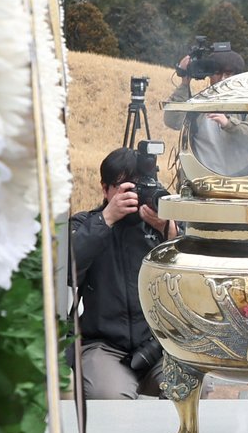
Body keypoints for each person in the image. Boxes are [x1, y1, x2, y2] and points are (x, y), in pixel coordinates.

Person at [69, 146, 178, 399]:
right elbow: (66, 270)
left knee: (189, 388)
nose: (132, 195)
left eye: (138, 186)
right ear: (104, 188)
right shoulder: (85, 224)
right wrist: (106, 220)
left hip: (158, 343)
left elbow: (192, 274)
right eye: (122, 187)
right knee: (110, 397)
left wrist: (168, 232)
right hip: (104, 345)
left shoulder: (161, 225)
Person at [163, 47, 248, 177]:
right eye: (217, 73)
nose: (223, 78)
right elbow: (172, 121)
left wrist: (228, 124)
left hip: (239, 181)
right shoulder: (198, 103)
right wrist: (185, 82)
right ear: (209, 74)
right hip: (203, 182)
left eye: (228, 74)